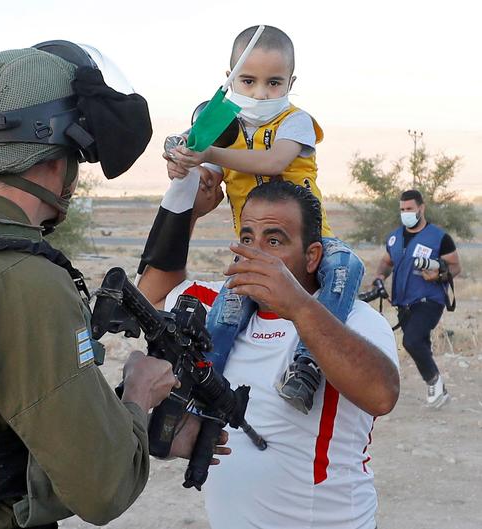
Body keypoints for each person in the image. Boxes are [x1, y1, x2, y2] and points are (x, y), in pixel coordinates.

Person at [0, 44, 229, 529]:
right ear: (56, 156)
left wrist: (121, 421)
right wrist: (139, 393)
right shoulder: (25, 280)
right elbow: (104, 489)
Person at [138, 179, 400, 529]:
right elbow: (151, 295)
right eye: (247, 239)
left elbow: (382, 395)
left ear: (312, 257)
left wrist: (297, 305)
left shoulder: (354, 320)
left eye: (274, 241)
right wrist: (188, 205)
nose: (255, 253)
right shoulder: (217, 306)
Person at [150, 25, 365, 415]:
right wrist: (184, 163)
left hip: (312, 242)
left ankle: (307, 365)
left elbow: (272, 161)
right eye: (248, 81)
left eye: (274, 83)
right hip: (253, 251)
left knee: (346, 265)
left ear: (291, 83)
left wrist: (209, 153)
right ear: (230, 79)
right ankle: (203, 385)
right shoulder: (221, 129)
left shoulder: (295, 121)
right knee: (227, 313)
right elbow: (205, 178)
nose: (261, 93)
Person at [372, 189, 461, 408]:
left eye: (410, 209)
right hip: (404, 303)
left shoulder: (439, 238)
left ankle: (434, 383)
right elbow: (387, 262)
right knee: (419, 342)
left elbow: (455, 266)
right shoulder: (394, 237)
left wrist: (439, 275)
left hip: (430, 299)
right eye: (402, 209)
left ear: (421, 208)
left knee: (411, 340)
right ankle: (439, 390)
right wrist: (380, 276)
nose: (406, 213)